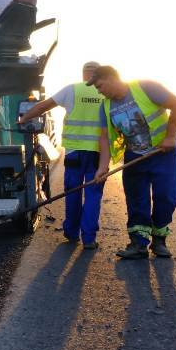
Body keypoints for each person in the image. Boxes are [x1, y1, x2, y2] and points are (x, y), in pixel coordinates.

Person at [89, 66, 176, 259]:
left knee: (166, 197)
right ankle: (138, 244)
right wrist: (102, 167)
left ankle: (159, 240)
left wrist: (170, 136)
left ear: (111, 78)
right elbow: (105, 137)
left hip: (163, 154)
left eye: (99, 86)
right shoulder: (105, 106)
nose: (99, 91)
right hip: (135, 158)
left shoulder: (146, 87)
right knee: (136, 201)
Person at [19, 61, 105, 249]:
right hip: (99, 153)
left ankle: (72, 233)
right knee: (93, 195)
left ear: (83, 74)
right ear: (98, 74)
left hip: (74, 152)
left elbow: (43, 106)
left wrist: (24, 118)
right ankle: (89, 238)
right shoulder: (103, 91)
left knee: (73, 192)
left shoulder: (72, 90)